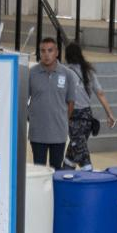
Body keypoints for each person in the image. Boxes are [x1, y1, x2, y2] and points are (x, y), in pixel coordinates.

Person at [64, 42, 117, 171]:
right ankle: (64, 174)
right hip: (87, 118)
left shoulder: (65, 72)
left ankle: (91, 180)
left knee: (82, 154)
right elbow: (100, 93)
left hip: (73, 118)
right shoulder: (88, 71)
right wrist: (109, 114)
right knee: (73, 152)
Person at [28, 37, 75, 170]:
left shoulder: (68, 75)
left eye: (50, 50)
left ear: (57, 52)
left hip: (58, 134)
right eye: (43, 51)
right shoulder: (32, 73)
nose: (46, 54)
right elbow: (24, 99)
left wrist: (62, 119)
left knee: (56, 170)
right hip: (37, 134)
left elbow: (71, 103)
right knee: (39, 171)